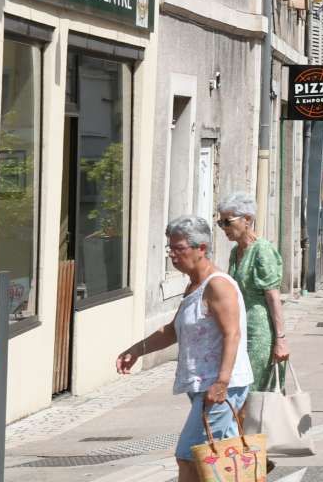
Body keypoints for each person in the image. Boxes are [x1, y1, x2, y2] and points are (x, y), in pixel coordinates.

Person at [116, 216, 253, 482]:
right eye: (170, 248)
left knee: (190, 455)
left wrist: (222, 382)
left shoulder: (217, 285)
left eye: (179, 248)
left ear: (201, 248)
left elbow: (232, 334)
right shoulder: (195, 285)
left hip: (221, 387)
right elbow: (173, 329)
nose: (172, 255)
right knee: (222, 461)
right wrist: (136, 350)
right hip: (204, 386)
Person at [217, 193, 288, 392]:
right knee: (238, 390)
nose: (224, 228)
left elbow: (273, 297)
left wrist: (280, 340)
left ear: (247, 219)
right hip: (240, 328)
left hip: (260, 332)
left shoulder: (262, 250)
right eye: (220, 223)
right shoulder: (235, 252)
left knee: (252, 392)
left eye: (227, 222)